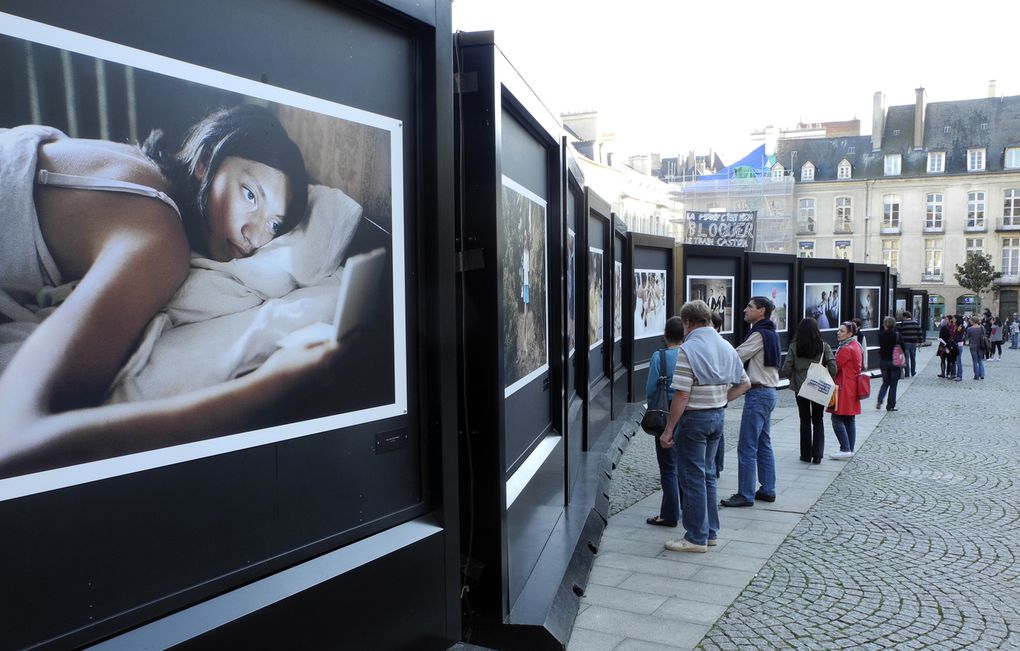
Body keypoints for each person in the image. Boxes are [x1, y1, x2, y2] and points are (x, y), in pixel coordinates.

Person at [0, 105, 345, 478]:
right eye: (249, 195)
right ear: (206, 163)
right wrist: (266, 387)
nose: (256, 235)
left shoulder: (136, 164)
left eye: (274, 226)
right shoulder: (159, 238)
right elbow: (15, 438)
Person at [659, 300, 750, 553]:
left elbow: (682, 395)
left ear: (687, 322)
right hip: (717, 418)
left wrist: (668, 430)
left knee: (692, 477)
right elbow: (745, 384)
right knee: (708, 475)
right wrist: (722, 400)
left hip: (694, 420)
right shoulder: (727, 346)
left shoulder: (688, 350)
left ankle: (695, 537)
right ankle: (710, 532)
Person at [721, 296, 780, 508]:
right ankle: (767, 489)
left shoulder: (758, 334)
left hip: (758, 394)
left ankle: (745, 494)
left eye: (750, 307)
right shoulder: (771, 332)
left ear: (761, 311)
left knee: (746, 446)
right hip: (769, 392)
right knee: (764, 444)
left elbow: (738, 355)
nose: (745, 310)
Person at [646, 316, 685, 528]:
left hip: (665, 411)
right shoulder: (689, 354)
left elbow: (651, 389)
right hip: (686, 409)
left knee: (668, 466)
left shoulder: (659, 357)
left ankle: (669, 514)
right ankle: (685, 504)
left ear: (665, 334)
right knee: (684, 462)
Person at [781, 317, 836, 464]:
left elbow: (786, 368)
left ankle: (805, 454)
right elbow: (833, 367)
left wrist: (794, 377)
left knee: (804, 420)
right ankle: (817, 454)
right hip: (819, 386)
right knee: (818, 420)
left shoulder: (794, 346)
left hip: (800, 386)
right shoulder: (824, 346)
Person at [829, 321, 863, 459]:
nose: (838, 333)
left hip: (842, 387)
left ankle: (845, 448)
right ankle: (849, 449)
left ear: (850, 333)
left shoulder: (846, 349)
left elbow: (834, 367)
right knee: (850, 419)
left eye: (842, 331)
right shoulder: (855, 345)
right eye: (838, 330)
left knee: (836, 418)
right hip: (852, 386)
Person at [876, 316, 902, 411]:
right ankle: (890, 405)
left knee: (885, 382)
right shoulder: (897, 335)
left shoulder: (880, 335)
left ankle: (879, 400)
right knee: (893, 384)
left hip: (883, 361)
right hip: (894, 362)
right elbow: (902, 347)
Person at [895, 310, 924, 378]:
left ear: (905, 317)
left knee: (906, 358)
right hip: (913, 343)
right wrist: (920, 342)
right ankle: (913, 372)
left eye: (903, 317)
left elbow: (899, 333)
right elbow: (919, 333)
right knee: (913, 358)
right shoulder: (916, 323)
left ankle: (907, 373)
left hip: (905, 343)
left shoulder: (902, 324)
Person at [965, 316, 986, 380]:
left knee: (975, 361)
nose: (970, 322)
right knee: (980, 360)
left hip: (973, 346)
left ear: (973, 321)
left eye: (970, 321)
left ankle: (976, 375)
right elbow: (983, 335)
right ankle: (982, 374)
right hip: (980, 345)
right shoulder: (981, 328)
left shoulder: (970, 329)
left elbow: (967, 337)